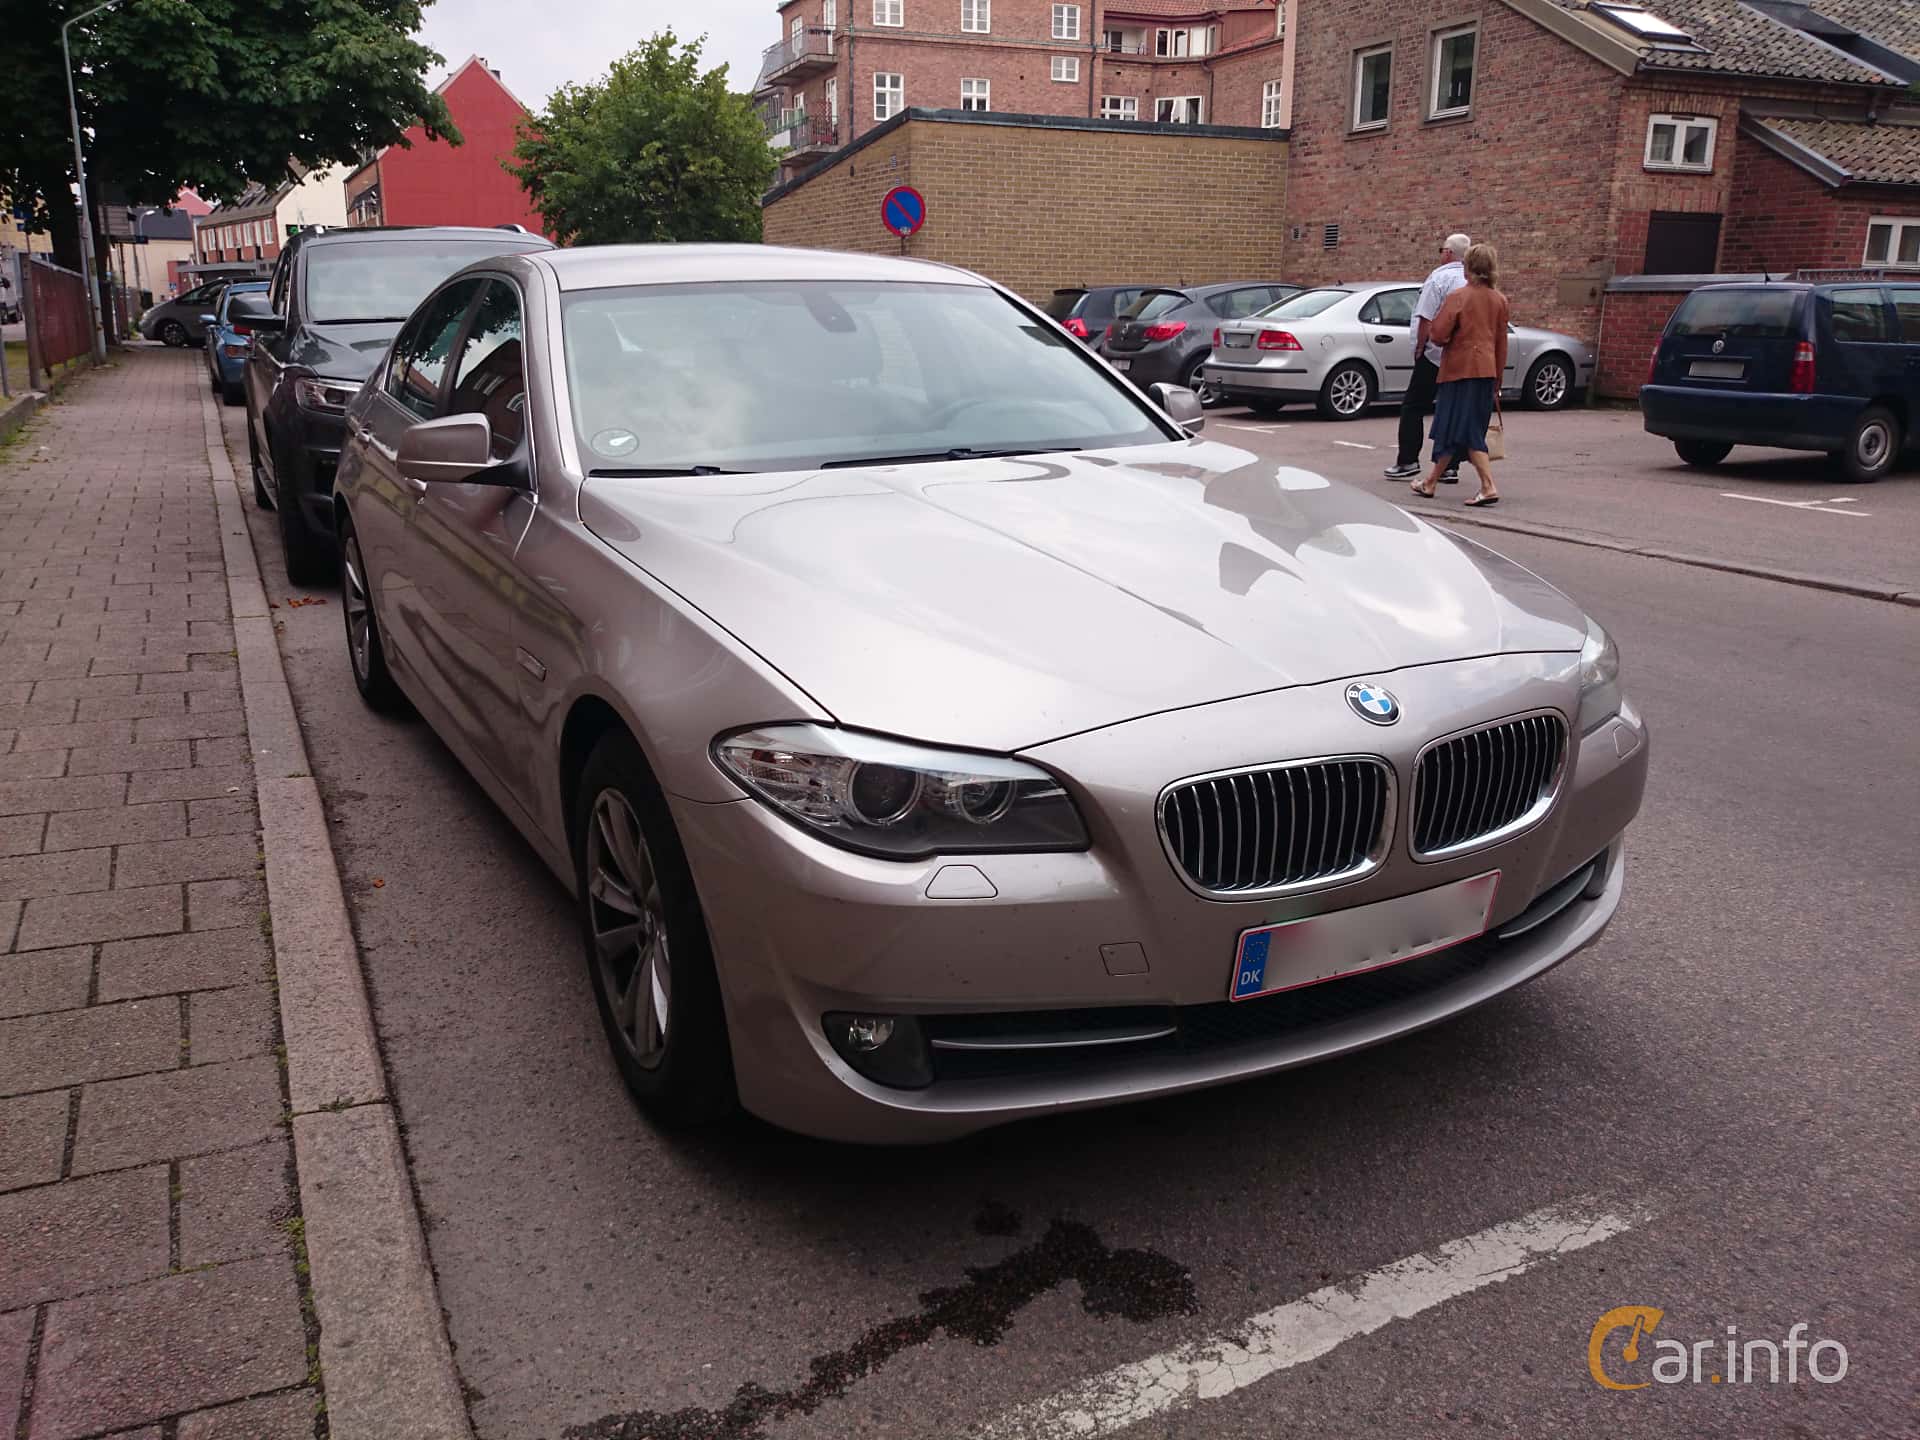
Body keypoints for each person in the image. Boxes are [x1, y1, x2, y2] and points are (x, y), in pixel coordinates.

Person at [1411, 242, 1508, 506]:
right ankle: (1430, 482)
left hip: (1459, 370)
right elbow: (1501, 342)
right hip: (1486, 371)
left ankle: (1488, 486)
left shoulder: (1459, 297)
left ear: (1469, 267)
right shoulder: (1499, 300)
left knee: (1462, 428)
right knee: (1457, 427)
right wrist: (1497, 377)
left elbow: (1438, 334)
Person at [1384, 232, 1470, 483]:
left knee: (1413, 406)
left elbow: (1425, 317)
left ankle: (1408, 460)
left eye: (1442, 250)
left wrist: (1420, 347)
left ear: (1448, 253)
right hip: (1462, 356)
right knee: (1452, 408)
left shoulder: (1439, 278)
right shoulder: (1473, 281)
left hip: (1434, 354)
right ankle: (1450, 466)